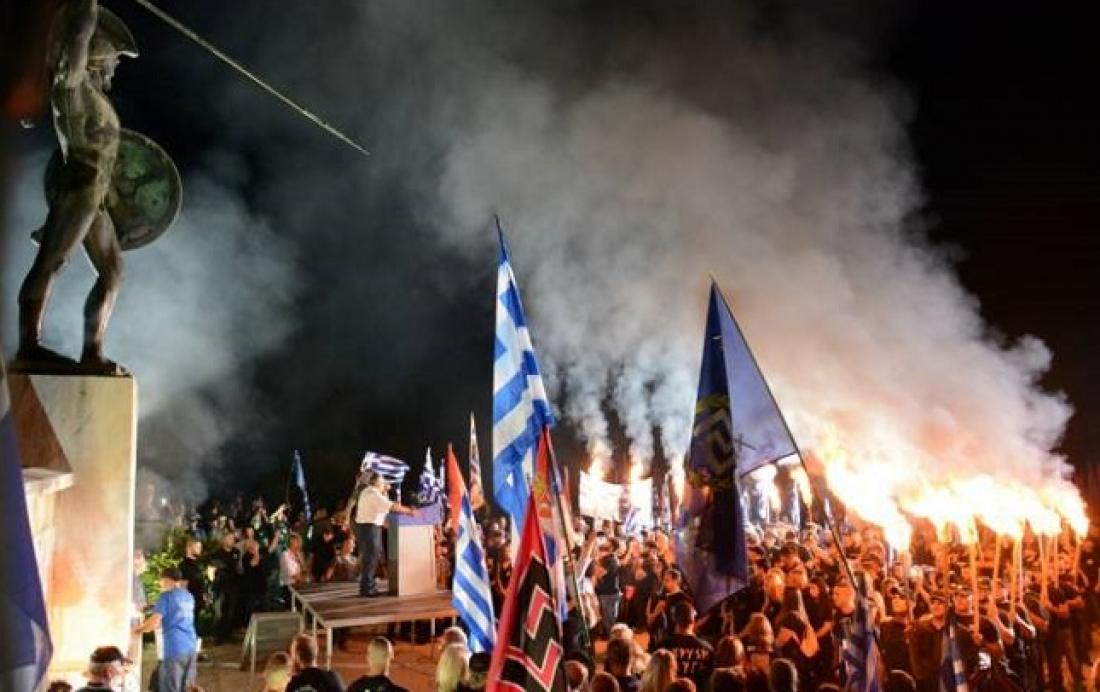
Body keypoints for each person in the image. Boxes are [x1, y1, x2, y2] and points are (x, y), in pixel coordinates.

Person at [16, 0, 138, 373]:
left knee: (113, 272)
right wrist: (88, 7)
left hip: (95, 195)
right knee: (52, 261)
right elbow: (79, 37)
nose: (115, 65)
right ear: (95, 54)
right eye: (114, 57)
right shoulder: (73, 88)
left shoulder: (97, 99)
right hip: (78, 188)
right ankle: (29, 346)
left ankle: (92, 353)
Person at [351, 472, 416, 597]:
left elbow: (382, 510)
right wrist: (409, 511)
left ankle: (368, 586)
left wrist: (385, 491)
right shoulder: (372, 493)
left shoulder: (371, 493)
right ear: (376, 482)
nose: (385, 483)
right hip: (369, 528)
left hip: (370, 528)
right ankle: (367, 589)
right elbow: (391, 506)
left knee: (372, 556)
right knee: (371, 557)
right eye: (382, 481)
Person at [132, 567, 198, 692]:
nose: (160, 584)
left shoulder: (166, 597)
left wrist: (137, 630)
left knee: (170, 688)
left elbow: (153, 623)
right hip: (190, 647)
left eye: (161, 581)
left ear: (167, 580)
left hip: (174, 648)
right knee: (186, 687)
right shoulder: (188, 596)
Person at [655, 601, 714, 690]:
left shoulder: (663, 646)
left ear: (674, 619)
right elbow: (709, 681)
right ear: (693, 620)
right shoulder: (708, 649)